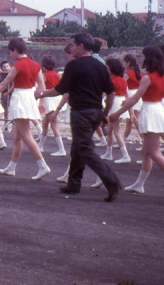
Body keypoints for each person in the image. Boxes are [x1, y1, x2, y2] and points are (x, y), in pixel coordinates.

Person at [37, 33, 121, 201]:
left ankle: (112, 181)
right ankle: (73, 184)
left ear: (81, 46)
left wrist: (40, 93)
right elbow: (111, 93)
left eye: (73, 45)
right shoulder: (101, 66)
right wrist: (105, 114)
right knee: (77, 147)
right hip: (96, 111)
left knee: (84, 148)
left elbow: (59, 89)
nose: (71, 48)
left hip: (81, 112)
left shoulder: (73, 66)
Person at [114, 46, 164, 198]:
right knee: (146, 152)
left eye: (143, 56)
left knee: (154, 153)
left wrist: (116, 113)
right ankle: (139, 184)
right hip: (158, 111)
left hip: (150, 112)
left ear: (149, 58)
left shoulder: (148, 78)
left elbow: (135, 99)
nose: (142, 58)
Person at [0, 38, 50, 180]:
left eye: (11, 52)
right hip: (29, 97)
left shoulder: (17, 65)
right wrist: (40, 101)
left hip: (20, 98)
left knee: (26, 134)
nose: (10, 55)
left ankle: (43, 165)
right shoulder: (36, 65)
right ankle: (12, 167)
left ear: (15, 50)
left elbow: (3, 84)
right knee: (17, 136)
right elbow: (42, 86)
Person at [101, 57, 132, 164]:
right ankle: (108, 153)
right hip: (121, 102)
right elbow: (127, 95)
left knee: (116, 131)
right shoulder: (123, 80)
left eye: (107, 67)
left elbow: (106, 94)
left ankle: (125, 155)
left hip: (114, 104)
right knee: (110, 130)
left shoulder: (111, 81)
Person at [38, 56, 66, 157]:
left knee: (54, 125)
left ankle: (61, 149)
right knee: (45, 123)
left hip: (49, 99)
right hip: (56, 98)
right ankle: (40, 146)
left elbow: (42, 88)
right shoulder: (57, 75)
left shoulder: (45, 75)